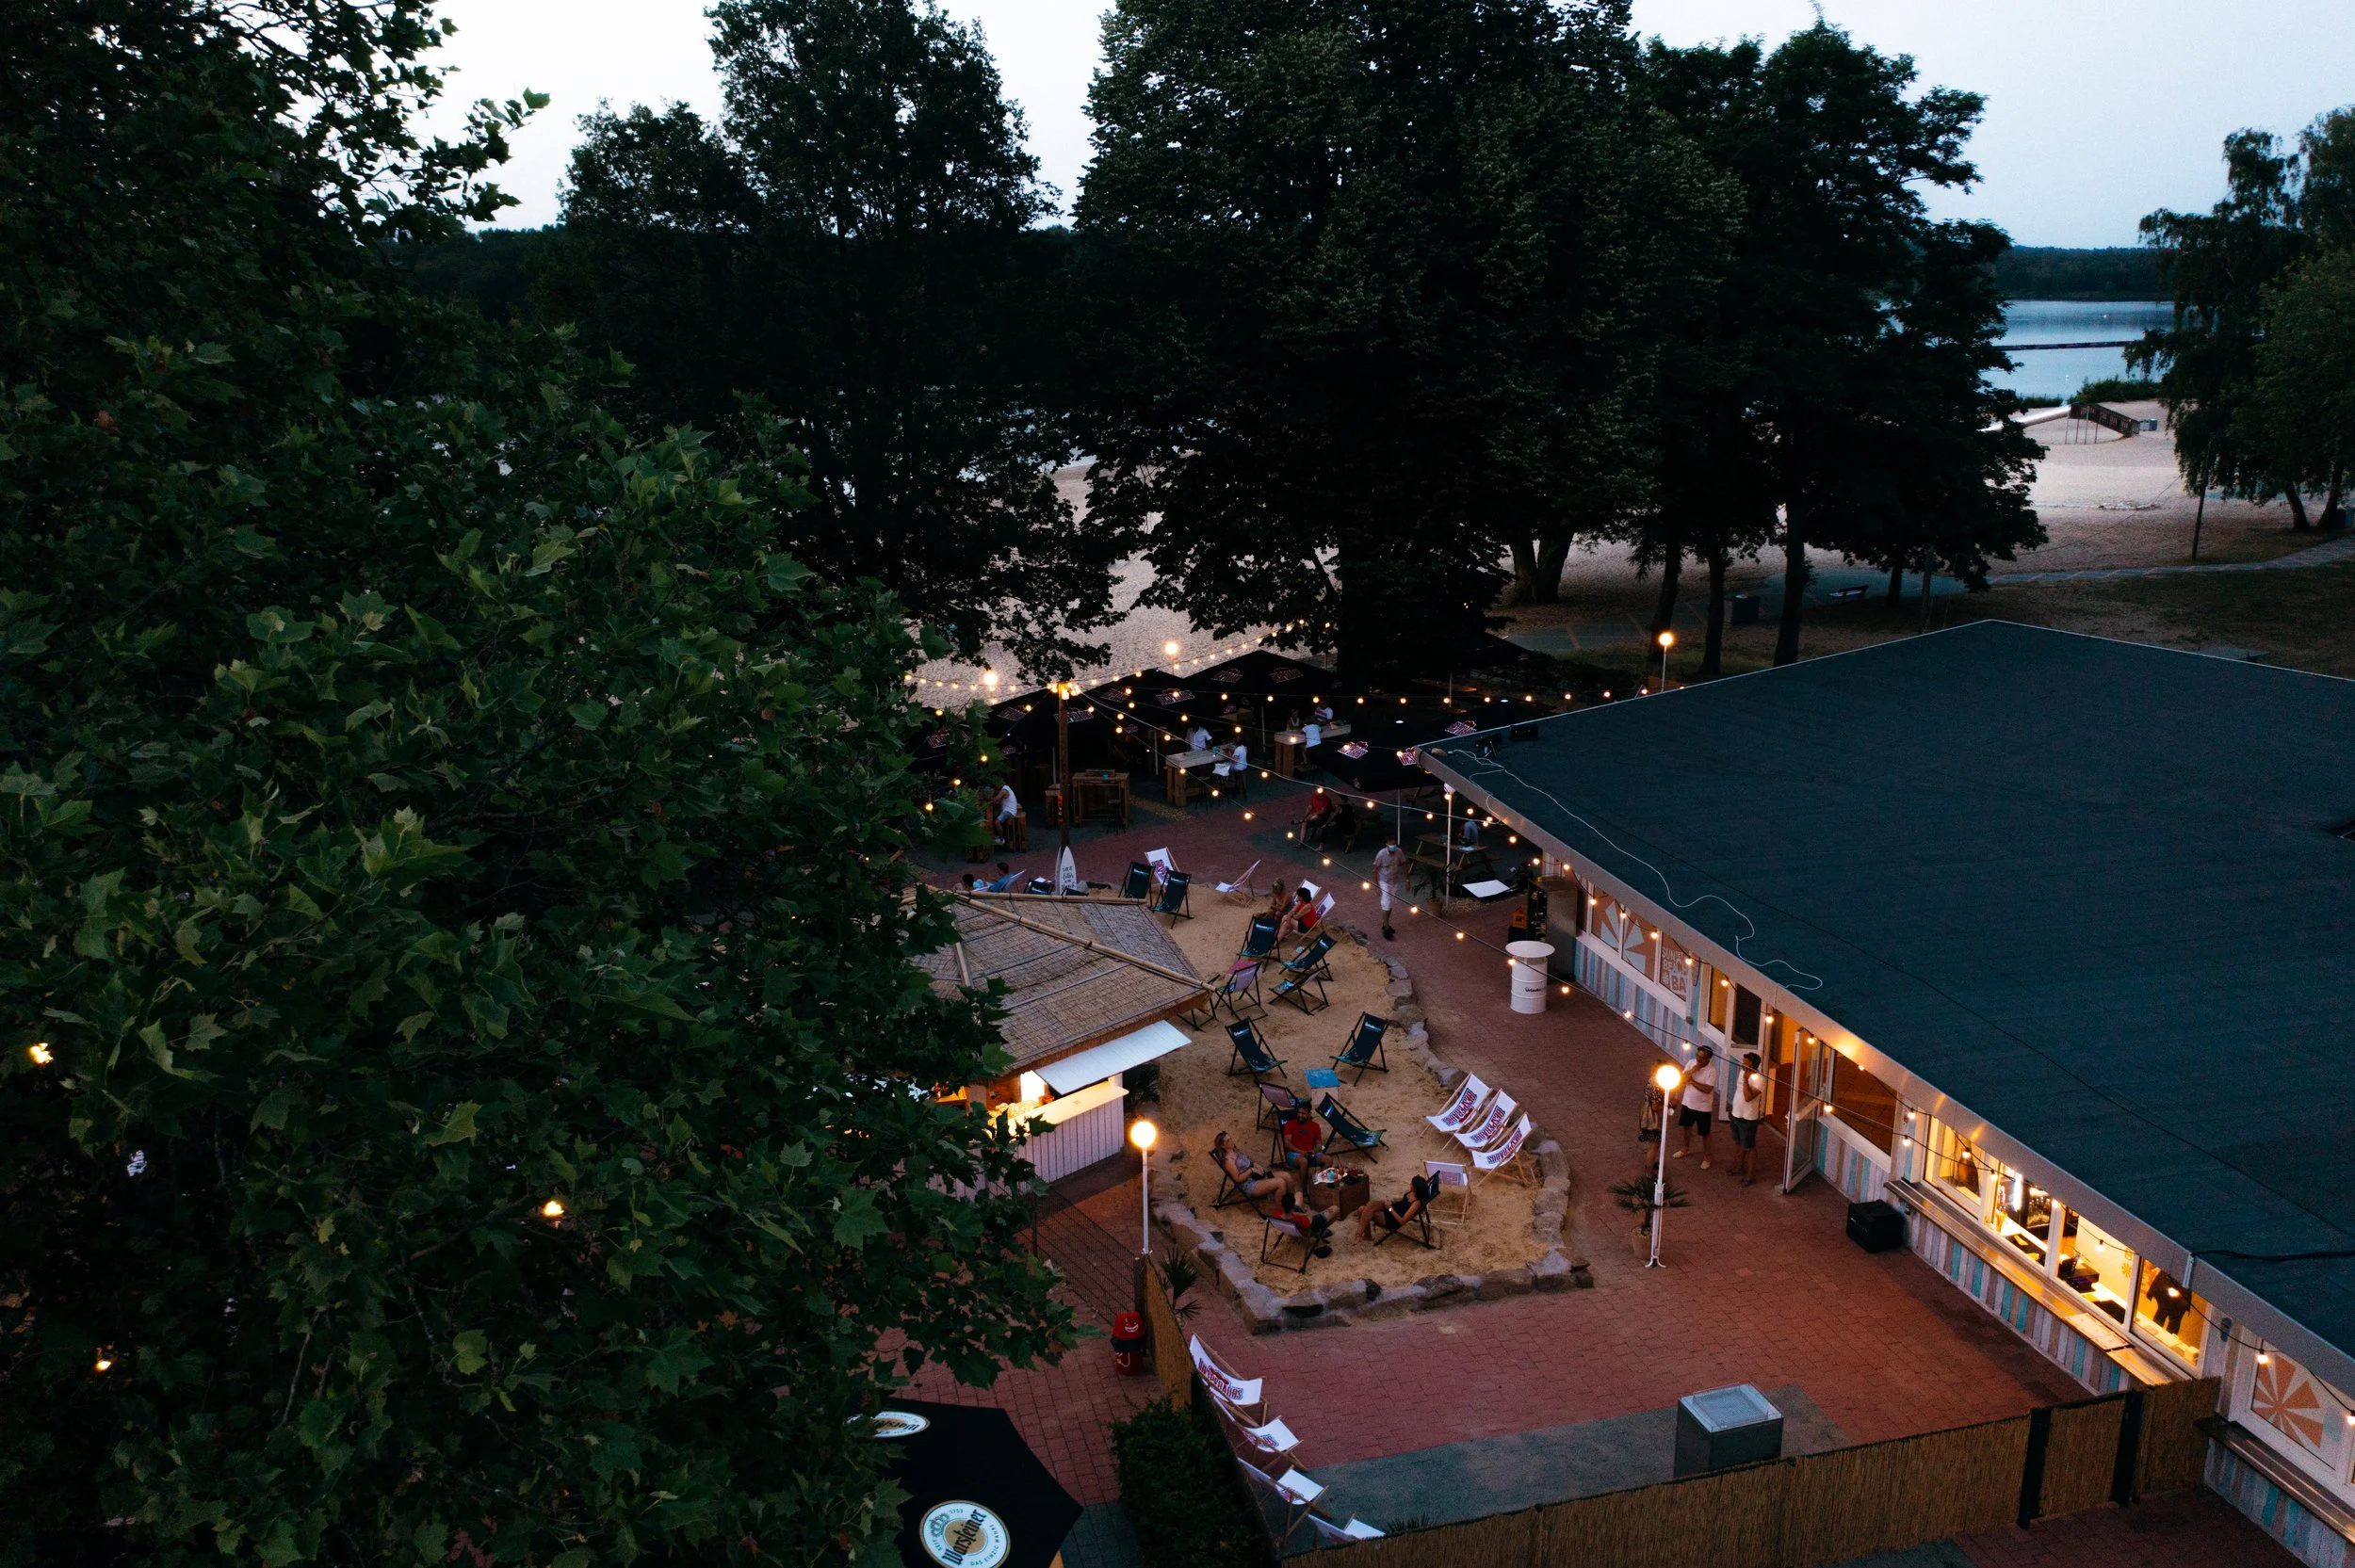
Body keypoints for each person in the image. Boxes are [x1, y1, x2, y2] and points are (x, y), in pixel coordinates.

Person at [1211, 1130, 1292, 1208]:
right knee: (1280, 1182)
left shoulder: (1236, 1151)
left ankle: (1291, 1204)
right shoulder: (1229, 1161)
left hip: (1257, 1176)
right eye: (1228, 1141)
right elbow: (1238, 1179)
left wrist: (1256, 1165)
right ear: (1223, 1146)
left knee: (1287, 1176)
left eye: (1231, 1138)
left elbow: (1249, 1162)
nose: (1231, 1141)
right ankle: (1282, 1212)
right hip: (1250, 1185)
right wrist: (1251, 1170)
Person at [1673, 1043, 1721, 1170]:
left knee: (1705, 1133)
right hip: (1688, 1102)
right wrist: (1694, 1070)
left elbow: (1707, 1089)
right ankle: (1686, 1148)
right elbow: (1682, 1079)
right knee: (1686, 1127)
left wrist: (1693, 1082)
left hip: (1703, 1107)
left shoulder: (1712, 1071)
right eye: (1697, 1056)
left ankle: (1707, 1157)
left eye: (1702, 1058)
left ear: (1708, 1059)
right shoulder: (1691, 1063)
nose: (1699, 1060)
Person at [1356, 1172, 1438, 1243]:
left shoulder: (1416, 1204)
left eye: (1411, 1184)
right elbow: (1403, 1201)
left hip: (1391, 1219)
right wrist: (1392, 1202)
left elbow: (1402, 1221)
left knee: (1362, 1209)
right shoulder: (1412, 1192)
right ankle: (1362, 1235)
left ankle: (1362, 1236)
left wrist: (1390, 1208)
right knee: (1369, 1205)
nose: (1410, 1184)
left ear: (1415, 1189)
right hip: (1391, 1208)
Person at [1728, 1051, 1768, 1186]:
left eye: (1746, 1064)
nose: (1743, 1066)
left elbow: (1748, 1097)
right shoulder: (1742, 1072)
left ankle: (1750, 1175)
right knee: (1738, 1142)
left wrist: (1745, 1079)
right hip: (1736, 1114)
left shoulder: (1760, 1079)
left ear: (1754, 1066)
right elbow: (1738, 1092)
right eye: (1743, 1063)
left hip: (1748, 1118)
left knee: (1750, 1147)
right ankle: (1739, 1166)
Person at [1373, 836, 1404, 941]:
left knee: (1390, 903)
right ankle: (1386, 928)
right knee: (1386, 904)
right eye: (1391, 844)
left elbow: (1403, 864)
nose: (1393, 846)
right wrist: (1376, 886)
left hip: (1394, 881)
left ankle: (1386, 923)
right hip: (1384, 881)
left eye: (1394, 844)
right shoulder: (1381, 854)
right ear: (1386, 845)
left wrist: (1408, 879)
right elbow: (1375, 869)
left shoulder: (1399, 852)